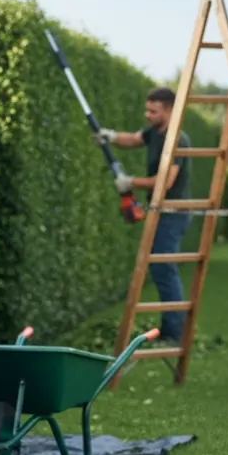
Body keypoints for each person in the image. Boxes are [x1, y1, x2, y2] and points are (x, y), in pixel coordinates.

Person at [96, 86, 193, 345]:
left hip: (173, 213)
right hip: (160, 211)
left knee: (164, 267)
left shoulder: (177, 141)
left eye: (153, 110)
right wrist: (111, 136)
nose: (147, 114)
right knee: (159, 267)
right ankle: (171, 328)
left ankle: (175, 332)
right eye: (146, 109)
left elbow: (166, 181)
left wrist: (131, 182)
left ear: (170, 110)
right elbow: (135, 139)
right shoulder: (155, 133)